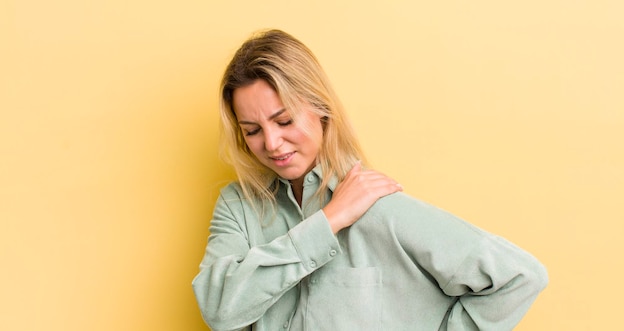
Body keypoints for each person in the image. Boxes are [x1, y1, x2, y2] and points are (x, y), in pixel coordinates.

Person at [192, 29, 548, 331]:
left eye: (284, 122)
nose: (270, 144)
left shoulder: (381, 210)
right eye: (252, 131)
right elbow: (219, 310)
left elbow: (520, 276)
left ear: (320, 108)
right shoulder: (238, 205)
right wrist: (328, 223)